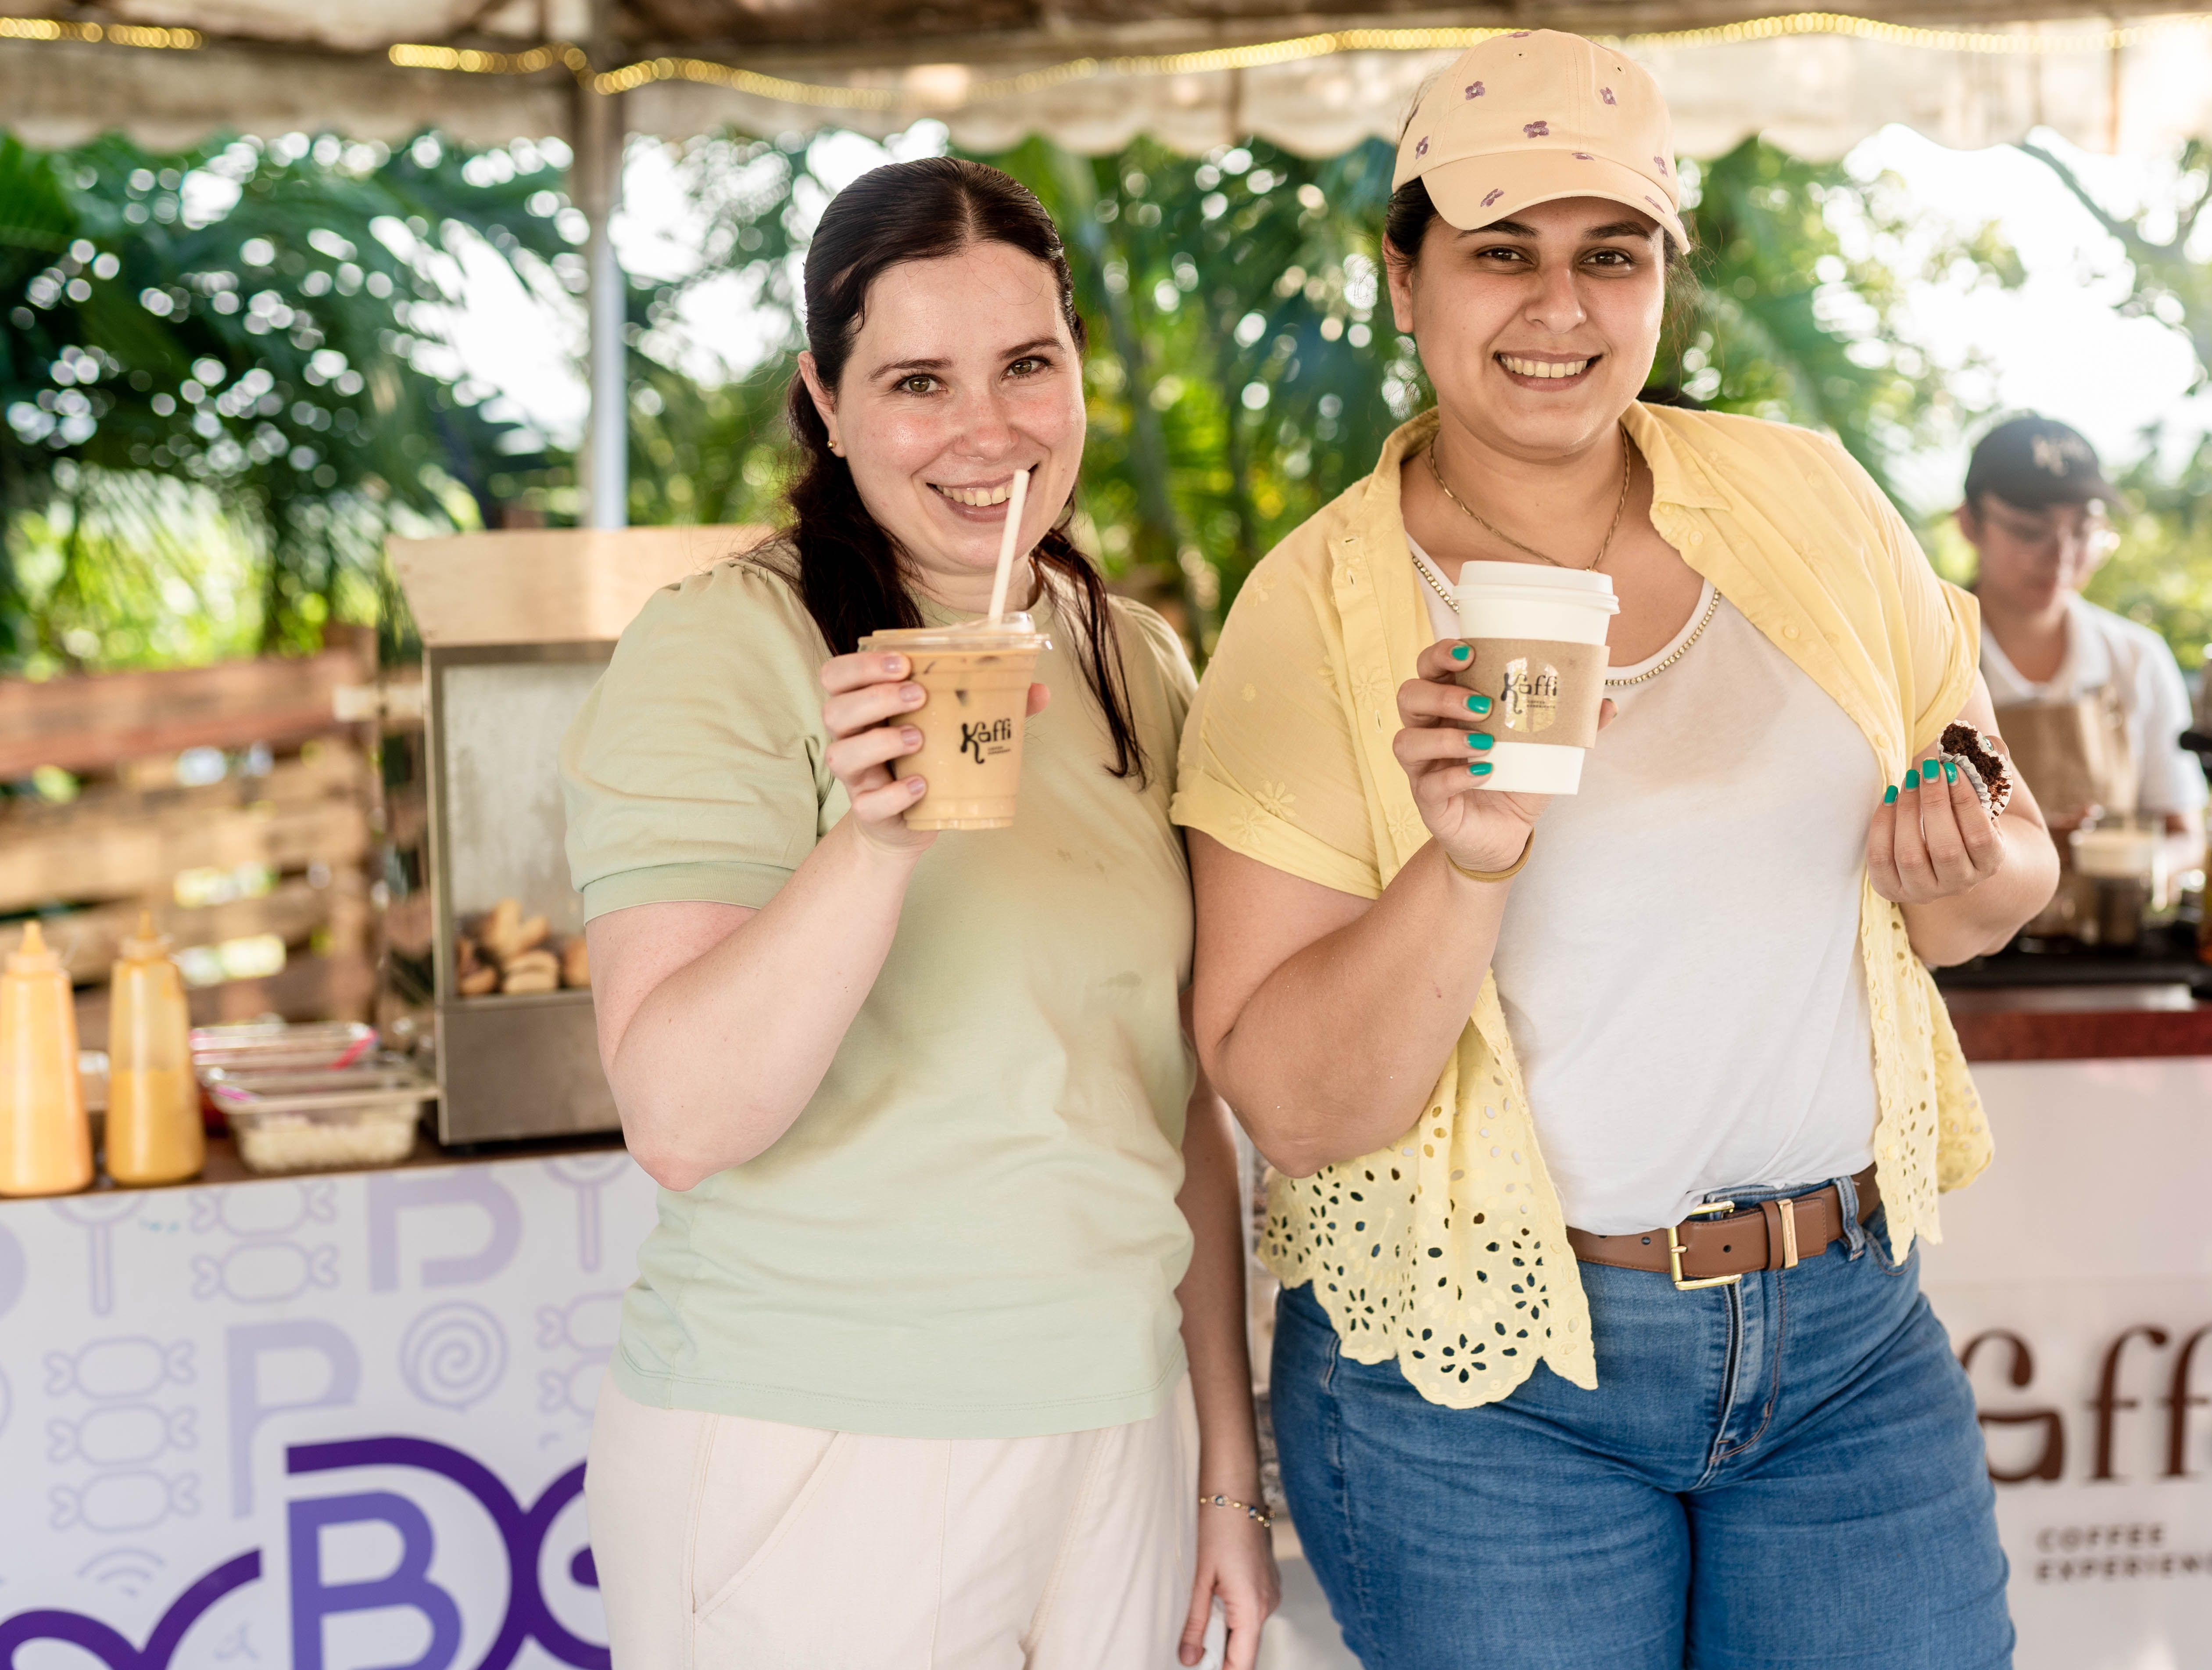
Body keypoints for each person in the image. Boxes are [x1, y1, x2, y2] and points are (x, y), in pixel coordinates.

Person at [1173, 30, 2056, 1670]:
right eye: (1499, 251)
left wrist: (1965, 867)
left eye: (1610, 254)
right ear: (1402, 278)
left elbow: (1997, 867)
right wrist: (1466, 860)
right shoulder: (1311, 613)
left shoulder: (1809, 502)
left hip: (1843, 1342)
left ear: (1662, 280)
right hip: (1479, 1390)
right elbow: (1292, 1106)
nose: (1559, 309)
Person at [563, 157, 1276, 1669]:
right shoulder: (725, 647)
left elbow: (1174, 1109)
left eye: (1027, 364)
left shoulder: (1132, 658)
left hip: (1119, 1424)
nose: (986, 429)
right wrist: (878, 838)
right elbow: (680, 1116)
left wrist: (1226, 1467)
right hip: (819, 1438)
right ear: (824, 400)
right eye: (916, 381)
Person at [1958, 413, 2205, 841]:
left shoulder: (2136, 657)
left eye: (2084, 530)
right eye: (2030, 532)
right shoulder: (1929, 654)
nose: (2062, 556)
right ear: (1969, 524)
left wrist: (2115, 856)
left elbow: (2185, 834)